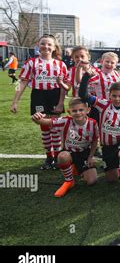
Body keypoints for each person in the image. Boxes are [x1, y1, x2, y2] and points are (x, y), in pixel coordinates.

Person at [79, 68, 120, 197]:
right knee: (111, 179)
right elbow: (83, 96)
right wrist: (86, 77)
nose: (117, 99)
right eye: (114, 96)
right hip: (107, 146)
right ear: (109, 95)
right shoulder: (103, 105)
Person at [11, 34, 67, 170]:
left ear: (54, 48)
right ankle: (49, 157)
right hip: (38, 95)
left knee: (55, 127)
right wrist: (15, 101)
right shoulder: (31, 63)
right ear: (38, 45)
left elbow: (63, 87)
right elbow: (22, 82)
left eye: (49, 44)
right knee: (44, 128)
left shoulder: (60, 64)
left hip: (55, 95)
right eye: (43, 43)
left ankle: (58, 157)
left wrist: (60, 103)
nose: (46, 47)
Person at [31, 97, 99, 197]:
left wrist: (90, 157)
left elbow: (94, 141)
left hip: (84, 153)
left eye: (81, 110)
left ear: (88, 110)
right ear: (69, 112)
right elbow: (47, 122)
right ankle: (69, 181)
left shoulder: (93, 123)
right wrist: (36, 118)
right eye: (74, 111)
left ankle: (76, 167)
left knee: (91, 181)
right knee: (62, 156)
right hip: (69, 152)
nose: (78, 113)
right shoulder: (65, 121)